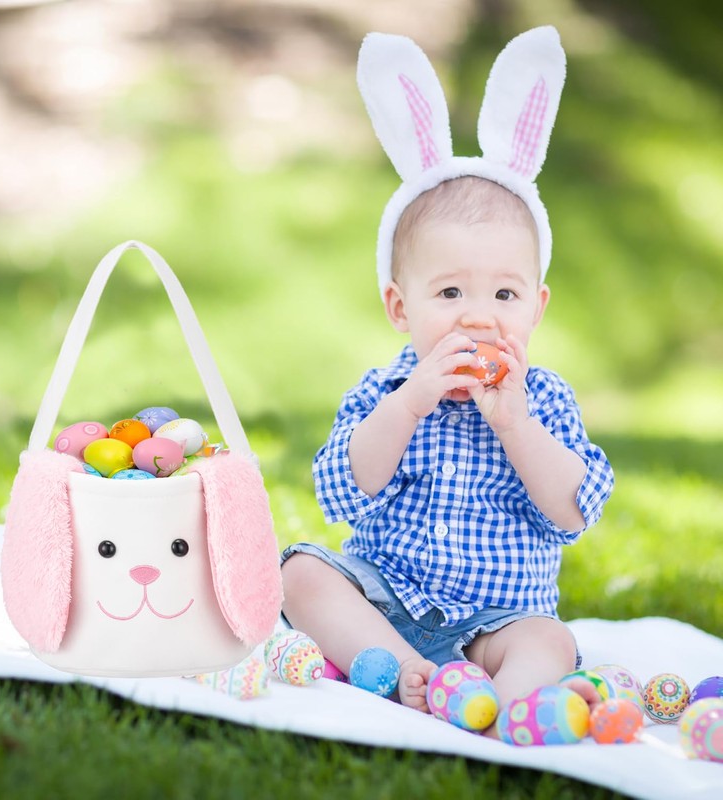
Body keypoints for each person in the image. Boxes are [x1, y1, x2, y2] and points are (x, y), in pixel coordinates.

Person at [281, 27, 614, 731]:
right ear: (400, 308)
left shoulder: (543, 399)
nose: (479, 317)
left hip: (499, 618)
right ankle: (412, 672)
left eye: (504, 295)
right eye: (451, 293)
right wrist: (410, 404)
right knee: (300, 574)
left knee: (550, 641)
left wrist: (515, 424)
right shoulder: (385, 392)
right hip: (388, 599)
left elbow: (572, 511)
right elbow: (343, 490)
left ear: (536, 307)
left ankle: (504, 706)